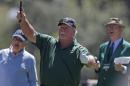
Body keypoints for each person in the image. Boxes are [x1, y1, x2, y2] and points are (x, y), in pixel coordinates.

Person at [17, 9, 97, 86]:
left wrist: (88, 59)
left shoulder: (78, 50)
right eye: (61, 28)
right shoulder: (48, 42)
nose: (62, 30)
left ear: (73, 31)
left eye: (65, 28)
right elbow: (31, 35)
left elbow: (90, 61)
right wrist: (23, 20)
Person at [94, 18, 130, 86]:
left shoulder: (128, 47)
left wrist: (123, 69)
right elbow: (101, 69)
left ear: (121, 30)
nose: (111, 29)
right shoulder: (102, 47)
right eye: (109, 27)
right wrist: (97, 68)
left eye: (114, 27)